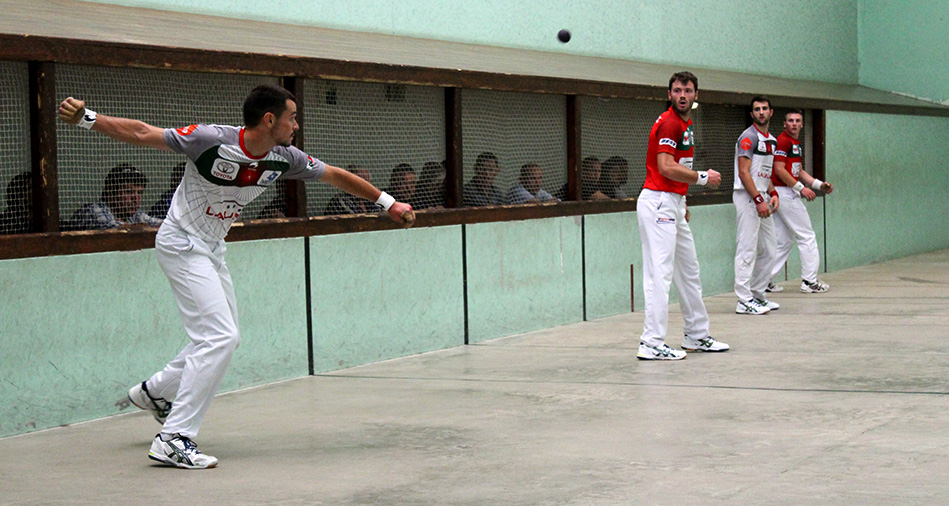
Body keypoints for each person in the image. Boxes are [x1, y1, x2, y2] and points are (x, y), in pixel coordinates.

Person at [58, 84, 414, 469]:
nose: (296, 125)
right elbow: (144, 133)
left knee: (226, 337)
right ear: (269, 119)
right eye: (292, 117)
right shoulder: (210, 140)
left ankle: (155, 392)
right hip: (182, 243)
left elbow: (335, 175)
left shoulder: (284, 158)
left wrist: (389, 203)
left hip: (212, 249)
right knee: (218, 337)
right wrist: (87, 118)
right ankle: (173, 438)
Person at [636, 71, 728, 361]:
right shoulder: (670, 124)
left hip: (674, 203)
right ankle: (651, 343)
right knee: (659, 276)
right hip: (659, 203)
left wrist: (683, 200)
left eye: (687, 90)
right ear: (669, 94)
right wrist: (702, 177)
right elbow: (665, 166)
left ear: (696, 94)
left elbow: (678, 166)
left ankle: (697, 336)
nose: (682, 95)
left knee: (689, 270)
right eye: (677, 90)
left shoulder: (686, 124)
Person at [767, 109, 834, 294]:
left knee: (783, 241)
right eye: (790, 120)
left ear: (802, 124)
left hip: (785, 193)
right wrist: (800, 188)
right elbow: (779, 170)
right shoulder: (783, 141)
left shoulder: (795, 143)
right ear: (784, 124)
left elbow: (799, 171)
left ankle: (763, 280)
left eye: (797, 120)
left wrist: (819, 185)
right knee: (807, 236)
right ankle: (809, 281)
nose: (794, 123)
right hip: (784, 193)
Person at [733, 96, 780, 315]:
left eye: (764, 109)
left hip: (762, 196)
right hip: (747, 196)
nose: (761, 112)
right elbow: (744, 173)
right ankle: (743, 300)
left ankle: (758, 294)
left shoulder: (771, 140)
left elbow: (765, 171)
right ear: (752, 114)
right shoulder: (748, 137)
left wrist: (772, 192)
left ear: (771, 112)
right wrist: (759, 200)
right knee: (747, 248)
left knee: (770, 248)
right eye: (757, 109)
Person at [68, 163, 164, 230]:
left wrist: (138, 226)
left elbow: (164, 225)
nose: (135, 199)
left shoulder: (134, 215)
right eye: (129, 192)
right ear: (111, 193)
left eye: (139, 192)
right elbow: (119, 230)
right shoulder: (94, 211)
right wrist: (138, 227)